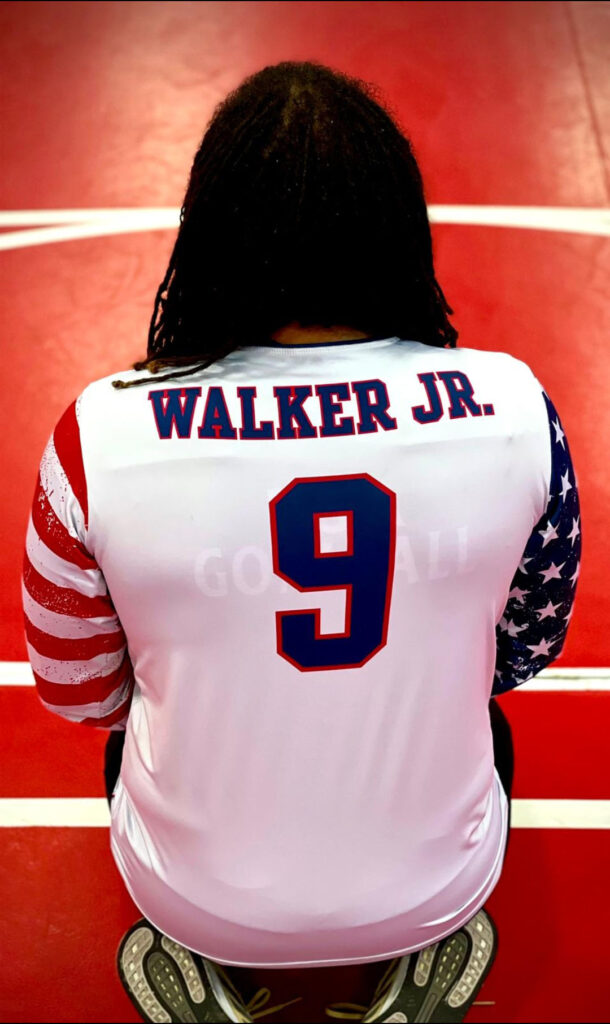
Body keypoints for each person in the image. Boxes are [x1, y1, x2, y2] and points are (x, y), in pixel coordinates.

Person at [22, 61, 581, 1024]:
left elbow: (78, 690)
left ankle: (198, 957)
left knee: (137, 734)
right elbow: (525, 648)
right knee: (481, 717)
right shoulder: (514, 407)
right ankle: (430, 943)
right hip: (434, 885)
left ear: (211, 233)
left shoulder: (99, 433)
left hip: (193, 896)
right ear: (400, 227)